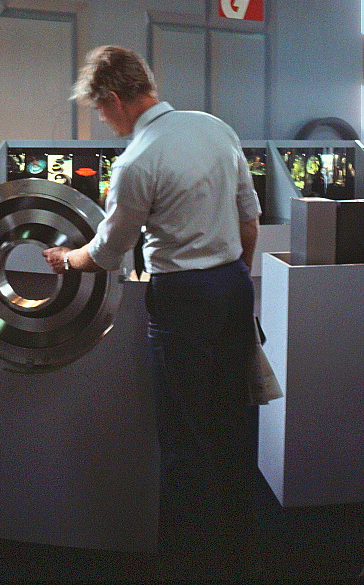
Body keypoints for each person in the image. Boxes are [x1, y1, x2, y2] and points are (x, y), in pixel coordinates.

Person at [43, 46, 262, 578]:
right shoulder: (215, 128)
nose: (103, 121)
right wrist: (232, 278)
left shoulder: (137, 162)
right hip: (233, 287)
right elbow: (249, 220)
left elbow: (107, 252)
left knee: (183, 435)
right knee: (235, 424)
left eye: (101, 110)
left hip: (183, 301)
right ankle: (245, 554)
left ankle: (186, 561)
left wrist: (64, 259)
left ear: (116, 99)